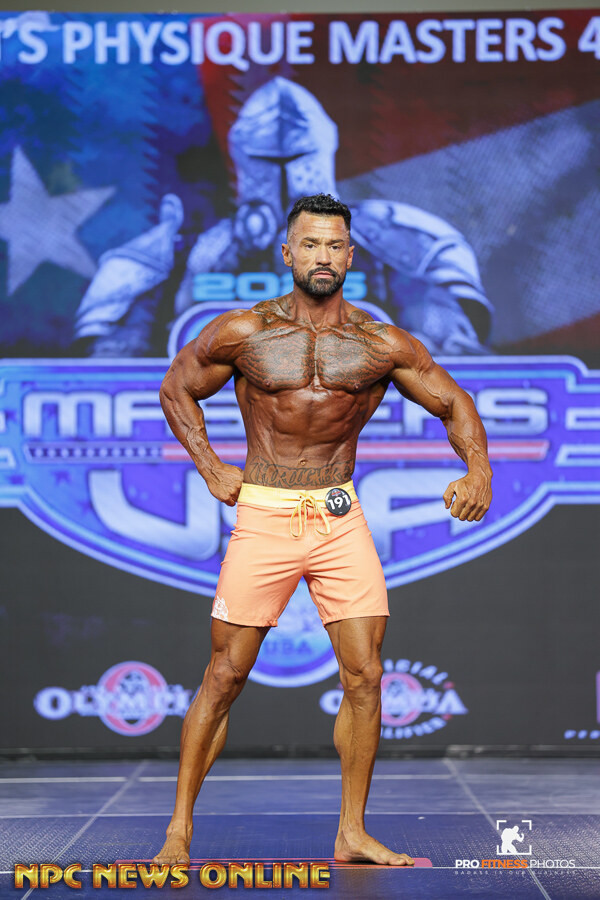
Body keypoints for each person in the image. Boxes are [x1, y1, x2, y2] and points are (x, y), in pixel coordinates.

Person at [154, 193, 492, 867]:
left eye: (334, 246)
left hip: (339, 515)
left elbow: (454, 401)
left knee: (365, 675)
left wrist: (478, 470)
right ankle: (179, 831)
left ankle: (352, 832)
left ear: (350, 256)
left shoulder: (380, 342)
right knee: (225, 673)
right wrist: (211, 466)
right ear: (287, 252)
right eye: (310, 244)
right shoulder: (245, 331)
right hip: (266, 514)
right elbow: (176, 387)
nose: (322, 256)